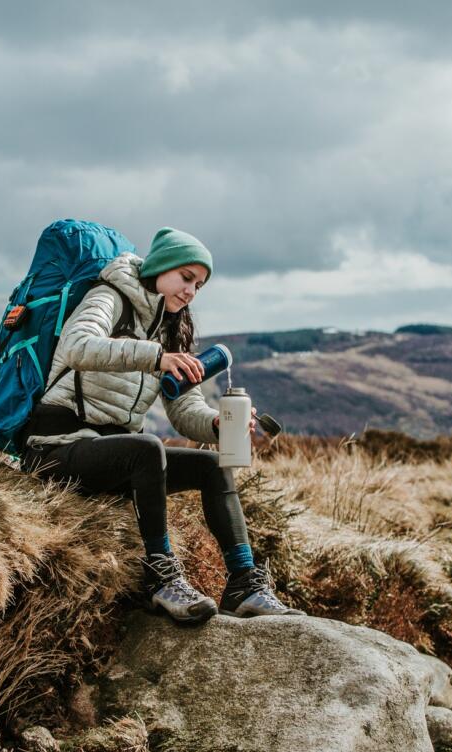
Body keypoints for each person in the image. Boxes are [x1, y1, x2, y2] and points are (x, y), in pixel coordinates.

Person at [19, 227, 301, 624]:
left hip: (112, 453)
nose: (191, 291)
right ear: (160, 268)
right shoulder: (110, 296)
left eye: (199, 286)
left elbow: (185, 408)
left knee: (212, 465)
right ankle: (161, 577)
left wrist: (219, 425)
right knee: (147, 448)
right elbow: (77, 346)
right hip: (56, 447)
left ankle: (244, 584)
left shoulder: (172, 328)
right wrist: (155, 357)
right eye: (186, 277)